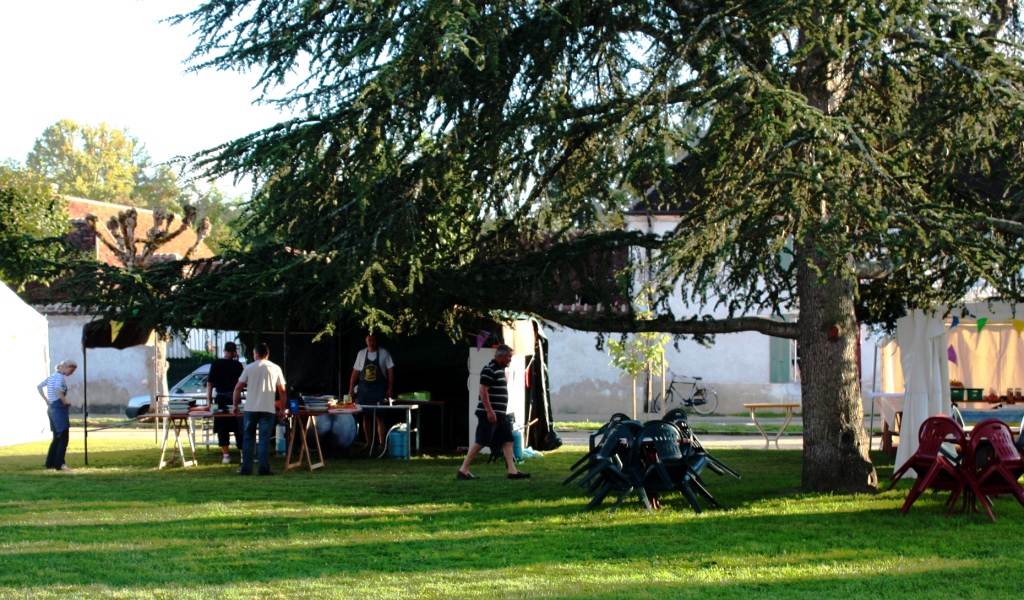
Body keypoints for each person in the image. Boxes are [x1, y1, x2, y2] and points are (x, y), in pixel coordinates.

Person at [457, 344, 529, 480]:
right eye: (509, 357)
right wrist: (489, 411)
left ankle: (512, 471)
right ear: (500, 356)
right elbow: (483, 390)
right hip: (489, 414)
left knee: (508, 440)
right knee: (481, 441)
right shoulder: (489, 369)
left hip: (500, 415)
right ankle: (463, 470)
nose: (510, 360)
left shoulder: (500, 370)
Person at [233, 343, 286, 476]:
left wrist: (235, 405)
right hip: (267, 409)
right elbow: (282, 391)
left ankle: (246, 468)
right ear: (267, 354)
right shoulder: (275, 368)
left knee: (248, 438)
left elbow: (238, 387)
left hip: (251, 408)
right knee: (264, 439)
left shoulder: (249, 368)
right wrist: (282, 409)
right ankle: (263, 468)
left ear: (256, 354)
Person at [348, 333, 395, 445]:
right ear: (366, 340)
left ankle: (381, 444)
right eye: (369, 340)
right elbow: (355, 372)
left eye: (373, 340)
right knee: (366, 416)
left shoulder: (384, 353)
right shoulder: (361, 354)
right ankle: (368, 443)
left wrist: (391, 388)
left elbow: (390, 371)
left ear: (376, 340)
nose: (371, 342)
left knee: (379, 416)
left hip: (379, 388)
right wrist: (351, 388)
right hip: (364, 389)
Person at [206, 341, 245, 464]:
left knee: (222, 426)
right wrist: (237, 361)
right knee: (239, 426)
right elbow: (243, 382)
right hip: (234, 398)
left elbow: (209, 384)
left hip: (220, 398)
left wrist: (209, 401)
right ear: (235, 352)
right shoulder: (237, 365)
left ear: (224, 351)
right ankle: (243, 454)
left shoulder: (216, 364)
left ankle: (226, 455)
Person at [37, 359, 77, 472]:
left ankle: (50, 462)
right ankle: (59, 464)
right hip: (59, 409)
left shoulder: (52, 376)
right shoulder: (59, 377)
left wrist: (46, 400)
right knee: (63, 438)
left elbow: (39, 386)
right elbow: (58, 389)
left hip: (51, 408)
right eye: (71, 370)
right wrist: (64, 402)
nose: (71, 373)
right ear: (66, 367)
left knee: (56, 437)